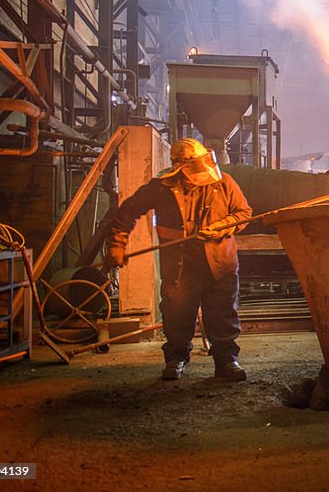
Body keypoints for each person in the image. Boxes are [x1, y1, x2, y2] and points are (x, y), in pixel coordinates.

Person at [106, 138, 253, 382]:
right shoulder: (162, 187)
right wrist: (116, 245)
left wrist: (221, 227)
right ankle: (176, 358)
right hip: (181, 266)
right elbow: (128, 211)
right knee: (177, 315)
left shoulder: (223, 182)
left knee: (223, 314)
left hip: (219, 263)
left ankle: (226, 360)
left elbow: (243, 213)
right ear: (181, 166)